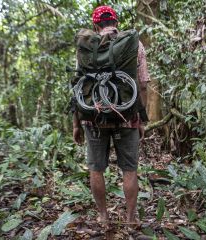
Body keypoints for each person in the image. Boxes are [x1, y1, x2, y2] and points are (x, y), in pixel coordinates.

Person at [72, 5, 150, 223]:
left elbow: (78, 86)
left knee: (96, 169)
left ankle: (103, 217)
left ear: (96, 26)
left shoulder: (86, 48)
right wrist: (140, 118)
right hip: (127, 118)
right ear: (116, 22)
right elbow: (142, 85)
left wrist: (76, 123)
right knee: (129, 169)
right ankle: (130, 218)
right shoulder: (135, 44)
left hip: (93, 118)